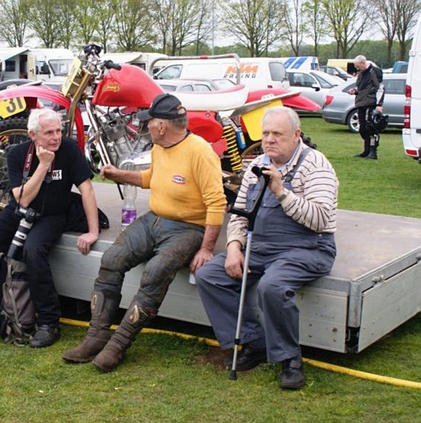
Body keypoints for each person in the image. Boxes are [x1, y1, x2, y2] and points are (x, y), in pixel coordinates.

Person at [63, 93, 227, 372]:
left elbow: (217, 203)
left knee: (155, 272)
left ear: (162, 126)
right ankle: (96, 336)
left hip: (188, 228)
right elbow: (151, 178)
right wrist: (118, 174)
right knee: (111, 259)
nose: (145, 126)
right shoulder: (160, 147)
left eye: (148, 121)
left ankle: (118, 345)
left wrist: (207, 248)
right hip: (154, 219)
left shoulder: (200, 152)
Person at [195, 106, 338, 390]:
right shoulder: (257, 164)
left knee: (271, 287)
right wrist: (234, 246)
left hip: (308, 247)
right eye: (266, 134)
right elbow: (239, 213)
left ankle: (290, 359)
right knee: (208, 275)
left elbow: (321, 219)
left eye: (278, 134)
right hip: (261, 247)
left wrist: (282, 193)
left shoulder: (316, 165)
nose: (269, 140)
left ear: (296, 135)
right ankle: (254, 341)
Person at [0, 108, 99, 347]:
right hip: (19, 209)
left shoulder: (69, 149)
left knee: (33, 251)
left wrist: (93, 231)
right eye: (49, 132)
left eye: (59, 131)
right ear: (33, 135)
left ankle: (49, 323)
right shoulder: (18, 154)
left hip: (53, 213)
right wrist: (43, 166)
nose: (56, 137)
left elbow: (87, 189)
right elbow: (22, 199)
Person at [348, 55, 385, 159]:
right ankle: (366, 150)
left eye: (358, 66)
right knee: (362, 129)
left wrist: (379, 104)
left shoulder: (374, 71)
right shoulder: (361, 73)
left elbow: (380, 88)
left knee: (370, 128)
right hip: (361, 103)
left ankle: (373, 152)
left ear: (363, 63)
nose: (356, 68)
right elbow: (361, 87)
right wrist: (354, 91)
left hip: (371, 103)